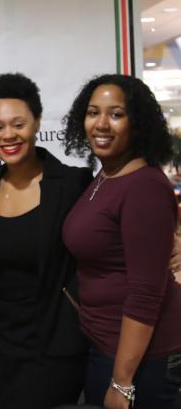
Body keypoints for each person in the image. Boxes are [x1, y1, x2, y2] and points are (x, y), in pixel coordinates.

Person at [62, 74, 181, 409]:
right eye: (93, 112)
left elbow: (145, 292)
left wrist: (122, 382)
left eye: (116, 114)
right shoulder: (107, 175)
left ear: (136, 122)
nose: (101, 124)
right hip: (106, 345)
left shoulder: (144, 186)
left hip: (141, 362)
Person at [0, 73, 91, 408]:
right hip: (2, 343)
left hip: (55, 344)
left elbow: (118, 212)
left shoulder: (72, 184)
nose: (8, 135)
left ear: (36, 122)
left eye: (18, 124)